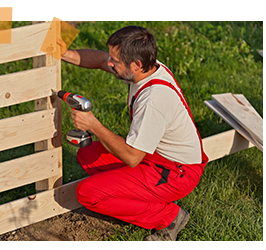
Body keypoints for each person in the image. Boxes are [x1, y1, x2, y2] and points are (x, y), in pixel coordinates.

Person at [57, 25, 208, 241]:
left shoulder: (153, 100)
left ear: (136, 64)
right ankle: (149, 198)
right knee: (87, 155)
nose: (109, 63)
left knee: (87, 193)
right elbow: (100, 60)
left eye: (115, 61)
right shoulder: (148, 67)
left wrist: (94, 125)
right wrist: (66, 54)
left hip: (175, 173)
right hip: (158, 157)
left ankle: (168, 216)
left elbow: (132, 157)